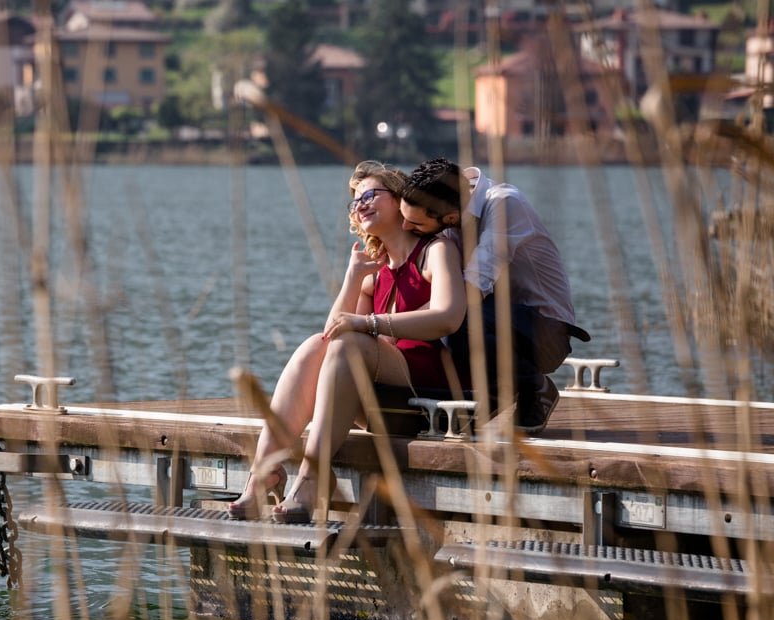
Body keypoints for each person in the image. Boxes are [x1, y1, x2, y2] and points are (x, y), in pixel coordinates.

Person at [228, 160, 468, 524]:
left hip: (422, 393)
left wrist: (368, 322)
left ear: (399, 196)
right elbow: (330, 338)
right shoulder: (377, 269)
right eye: (356, 200)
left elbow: (449, 316)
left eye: (371, 194)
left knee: (351, 343)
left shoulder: (435, 251)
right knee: (314, 345)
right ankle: (265, 471)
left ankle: (311, 478)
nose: (361, 204)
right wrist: (352, 280)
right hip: (374, 396)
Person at [398, 157, 591, 433]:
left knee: (460, 323)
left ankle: (535, 386)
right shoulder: (453, 212)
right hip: (501, 322)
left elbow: (472, 289)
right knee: (452, 322)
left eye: (414, 223)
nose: (406, 228)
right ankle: (493, 396)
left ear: (449, 218)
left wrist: (395, 325)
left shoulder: (505, 204)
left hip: (546, 336)